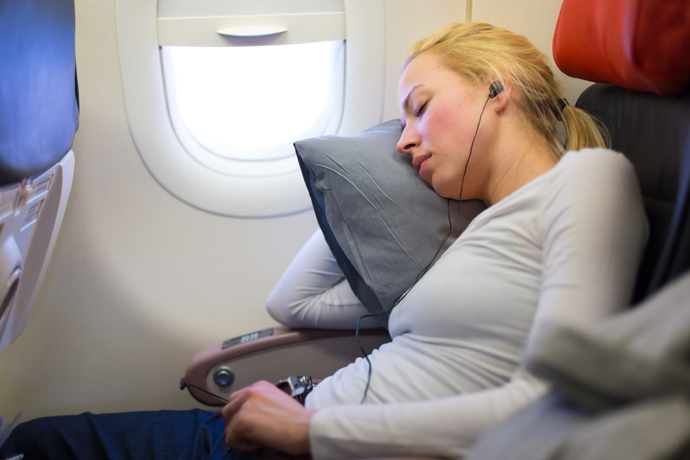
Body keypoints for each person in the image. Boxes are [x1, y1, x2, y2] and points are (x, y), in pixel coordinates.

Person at [0, 22, 648, 460]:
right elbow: (295, 305)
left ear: (496, 87)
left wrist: (312, 430)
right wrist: (364, 178)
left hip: (317, 439)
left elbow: (559, 405)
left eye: (419, 107)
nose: (404, 139)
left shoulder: (590, 181)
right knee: (38, 439)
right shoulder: (471, 231)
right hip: (293, 423)